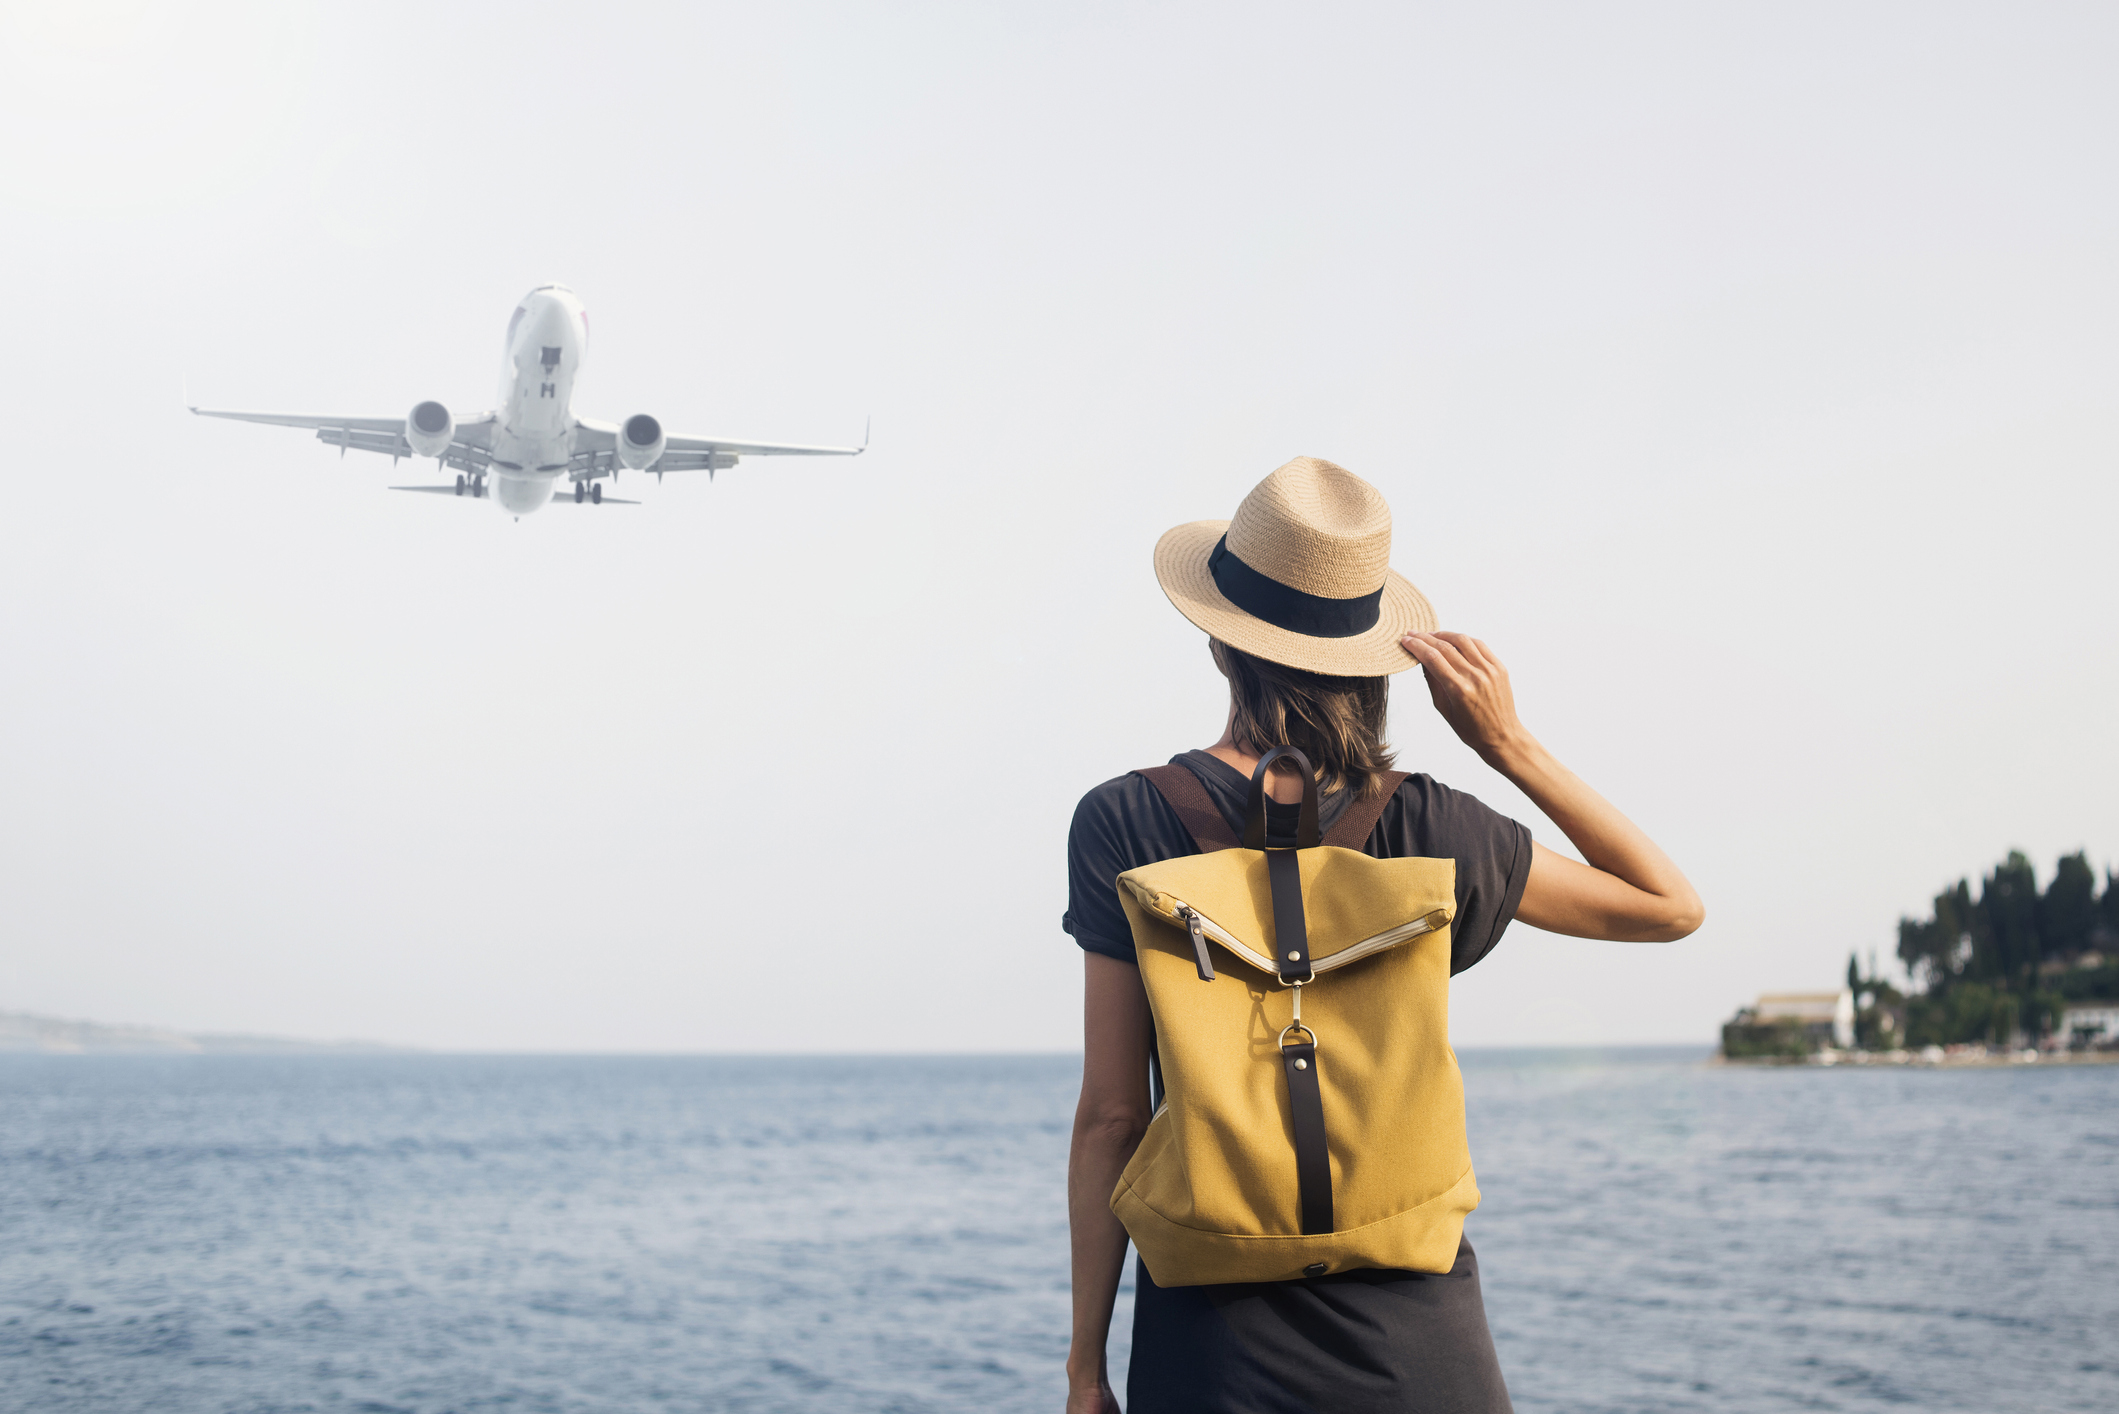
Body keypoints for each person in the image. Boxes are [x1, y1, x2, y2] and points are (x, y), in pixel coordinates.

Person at [1061, 457, 1703, 1414]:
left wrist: (1085, 1372)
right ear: (1365, 657)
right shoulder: (1433, 829)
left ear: (1218, 644)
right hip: (1422, 1353)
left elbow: (1112, 1116)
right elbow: (1667, 907)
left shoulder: (1125, 822)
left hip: (1211, 1350)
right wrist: (1506, 744)